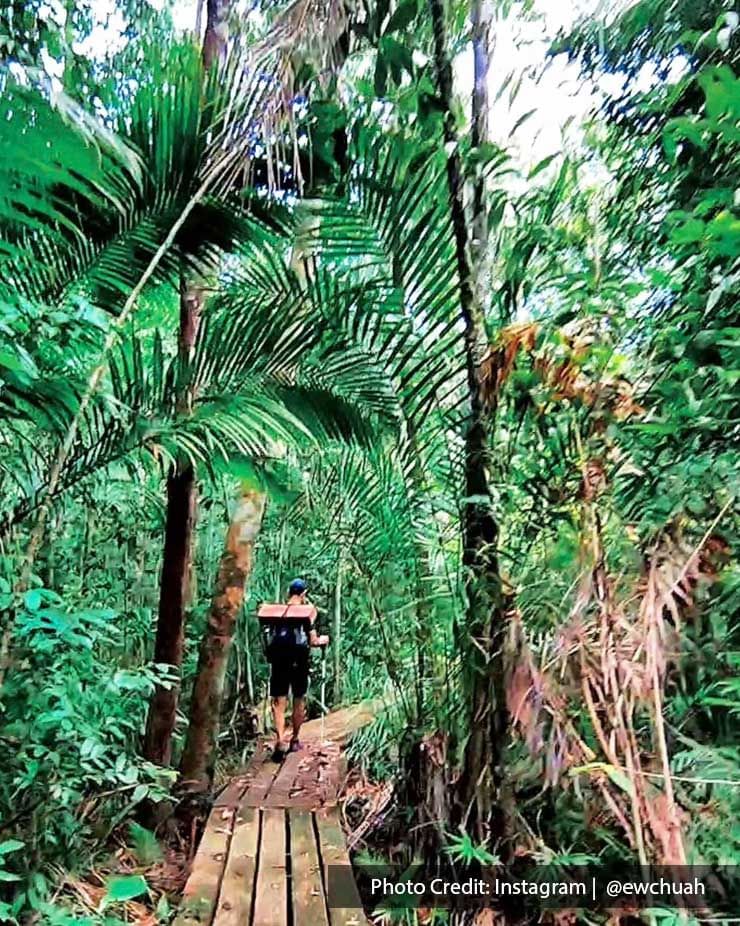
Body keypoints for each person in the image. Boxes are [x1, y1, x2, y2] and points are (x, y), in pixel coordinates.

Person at [265, 578, 328, 762]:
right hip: (299, 659)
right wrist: (323, 640)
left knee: (279, 700)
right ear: (303, 594)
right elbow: (313, 640)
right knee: (299, 698)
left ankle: (280, 739)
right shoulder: (306, 612)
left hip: (278, 659)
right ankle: (294, 739)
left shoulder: (278, 613)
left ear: (288, 593)